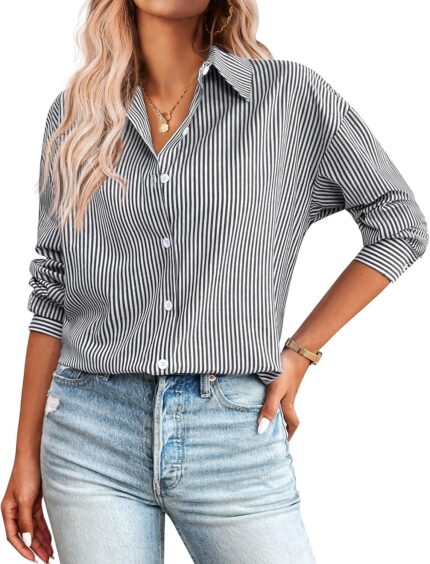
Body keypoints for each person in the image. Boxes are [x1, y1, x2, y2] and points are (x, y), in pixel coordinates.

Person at [2, 0, 428, 563]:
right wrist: (24, 454)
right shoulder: (76, 114)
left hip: (232, 429)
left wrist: (301, 352)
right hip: (88, 433)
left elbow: (400, 224)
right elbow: (53, 288)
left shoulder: (288, 98)